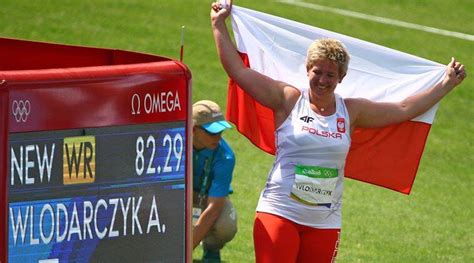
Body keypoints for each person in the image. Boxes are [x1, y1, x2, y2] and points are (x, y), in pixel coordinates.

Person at [210, 1, 467, 262]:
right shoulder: (288, 99)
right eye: (317, 71)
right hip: (279, 212)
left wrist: (445, 85)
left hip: (325, 222)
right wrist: (218, 23)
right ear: (307, 70)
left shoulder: (351, 111)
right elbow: (239, 71)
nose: (322, 80)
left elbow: (402, 108)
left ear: (342, 77)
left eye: (330, 75)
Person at [192, 100, 237, 263]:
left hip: (208, 198)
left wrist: (185, 253)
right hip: (177, 197)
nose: (218, 137)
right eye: (212, 132)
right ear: (193, 129)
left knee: (226, 226)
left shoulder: (226, 156)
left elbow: (214, 208)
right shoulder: (174, 144)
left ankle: (211, 249)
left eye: (220, 132)